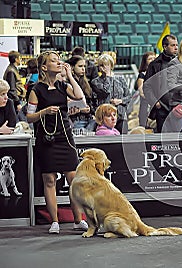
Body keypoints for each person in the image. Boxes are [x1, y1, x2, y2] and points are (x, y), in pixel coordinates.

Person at [26, 51, 88, 234]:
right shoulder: (36, 90)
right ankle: (54, 221)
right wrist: (44, 112)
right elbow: (29, 117)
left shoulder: (63, 85)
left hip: (65, 137)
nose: (59, 63)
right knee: (49, 179)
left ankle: (78, 220)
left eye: (59, 60)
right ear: (44, 67)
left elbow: (79, 95)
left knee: (73, 179)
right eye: (54, 61)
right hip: (46, 139)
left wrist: (69, 75)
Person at [143, 34, 178, 133]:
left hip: (179, 108)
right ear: (165, 47)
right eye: (172, 45)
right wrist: (155, 103)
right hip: (162, 109)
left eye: (176, 45)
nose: (176, 48)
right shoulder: (154, 65)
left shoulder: (181, 63)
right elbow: (147, 87)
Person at [91, 53, 132, 134]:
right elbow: (107, 91)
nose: (103, 68)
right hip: (105, 118)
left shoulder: (120, 79)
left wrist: (120, 101)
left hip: (120, 115)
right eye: (101, 65)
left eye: (106, 65)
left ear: (111, 65)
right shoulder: (95, 82)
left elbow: (129, 96)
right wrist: (108, 77)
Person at [66, 55, 96, 132]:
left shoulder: (87, 83)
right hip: (75, 120)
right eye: (80, 66)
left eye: (84, 66)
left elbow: (92, 101)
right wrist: (80, 110)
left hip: (89, 120)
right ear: (72, 67)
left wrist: (89, 109)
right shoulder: (67, 84)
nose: (83, 69)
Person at [136, 51, 156, 128]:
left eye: (154, 58)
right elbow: (141, 91)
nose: (153, 60)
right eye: (150, 59)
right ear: (145, 61)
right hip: (146, 106)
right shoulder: (142, 75)